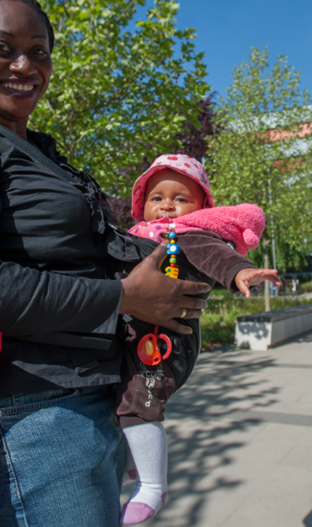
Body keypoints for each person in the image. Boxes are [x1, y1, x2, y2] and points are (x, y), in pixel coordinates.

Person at [0, 0, 210, 527]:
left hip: (91, 402)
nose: (25, 64)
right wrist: (126, 298)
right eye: (2, 47)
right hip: (34, 414)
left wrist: (203, 247)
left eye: (39, 51)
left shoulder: (37, 151)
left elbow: (96, 246)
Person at [118, 154, 280, 524]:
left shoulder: (190, 235)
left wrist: (242, 272)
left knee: (139, 403)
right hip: (134, 336)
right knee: (121, 395)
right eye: (156, 197)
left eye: (181, 198)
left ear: (200, 207)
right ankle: (135, 460)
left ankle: (153, 487)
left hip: (165, 339)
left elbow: (219, 257)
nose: (167, 206)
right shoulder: (135, 236)